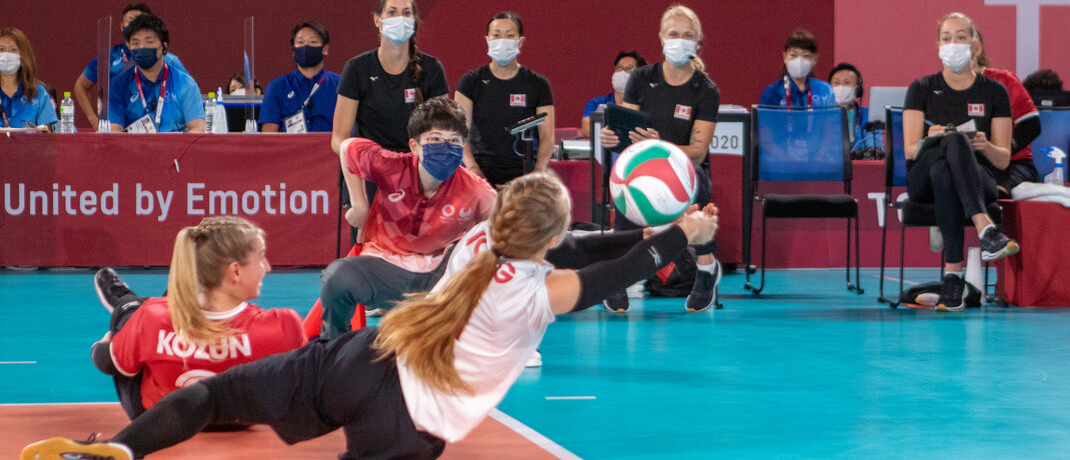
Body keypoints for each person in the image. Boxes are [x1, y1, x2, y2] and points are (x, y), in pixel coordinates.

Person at [22, 173, 718, 460]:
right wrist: (676, 237)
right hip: (408, 421)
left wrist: (660, 232)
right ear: (545, 239)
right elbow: (606, 271)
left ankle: (121, 450)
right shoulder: (539, 293)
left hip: (361, 357)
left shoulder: (480, 235)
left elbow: (583, 246)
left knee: (212, 394)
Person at [88, 216, 307, 420]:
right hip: (241, 420)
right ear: (235, 272)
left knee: (131, 319)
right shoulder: (283, 325)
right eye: (261, 258)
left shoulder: (151, 317)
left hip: (158, 421)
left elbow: (109, 363)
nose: (267, 267)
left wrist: (105, 343)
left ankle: (125, 302)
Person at [317, 97, 497, 339]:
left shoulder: (477, 190)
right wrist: (359, 204)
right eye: (434, 140)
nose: (445, 147)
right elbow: (348, 147)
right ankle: (333, 348)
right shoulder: (391, 166)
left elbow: (506, 233)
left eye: (454, 141)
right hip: (384, 267)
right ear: (414, 146)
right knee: (337, 277)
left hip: (441, 278)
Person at [598, 4, 721, 313]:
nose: (680, 40)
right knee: (628, 182)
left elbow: (700, 149)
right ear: (662, 39)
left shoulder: (705, 90)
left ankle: (706, 271)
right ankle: (617, 277)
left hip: (687, 168)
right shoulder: (641, 78)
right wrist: (612, 138)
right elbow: (628, 134)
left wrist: (662, 147)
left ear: (697, 43)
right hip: (644, 167)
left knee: (695, 180)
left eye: (688, 35)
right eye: (674, 34)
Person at [902, 12, 1021, 313]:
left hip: (978, 177)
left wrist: (985, 145)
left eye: (960, 37)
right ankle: (986, 228)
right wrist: (932, 136)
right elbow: (909, 150)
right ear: (938, 45)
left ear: (974, 46)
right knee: (951, 142)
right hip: (923, 179)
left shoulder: (995, 91)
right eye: (946, 38)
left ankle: (953, 279)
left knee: (948, 166)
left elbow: (1003, 159)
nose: (952, 43)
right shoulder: (921, 88)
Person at [332, 0, 449, 155]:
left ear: (414, 20)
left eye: (406, 13)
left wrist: (417, 158)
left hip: (415, 167)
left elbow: (442, 132)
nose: (400, 19)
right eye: (392, 12)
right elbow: (338, 139)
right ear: (377, 19)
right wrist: (361, 156)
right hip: (369, 169)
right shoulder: (357, 68)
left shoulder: (432, 68)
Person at [455, 12, 555, 186]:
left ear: (520, 41)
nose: (502, 40)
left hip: (524, 173)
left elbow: (547, 136)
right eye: (496, 35)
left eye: (509, 35)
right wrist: (473, 169)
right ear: (487, 40)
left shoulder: (538, 84)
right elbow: (459, 132)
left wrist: (538, 172)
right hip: (480, 172)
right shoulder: (470, 82)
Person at [73, 3, 184, 129]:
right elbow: (80, 86)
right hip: (118, 127)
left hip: (162, 129)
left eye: (140, 21)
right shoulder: (108, 57)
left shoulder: (169, 59)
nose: (136, 25)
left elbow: (186, 93)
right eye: (131, 21)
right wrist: (93, 120)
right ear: (121, 26)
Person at [970, 18, 1040, 195]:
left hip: (1013, 165)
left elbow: (1032, 126)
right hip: (971, 164)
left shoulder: (1004, 81)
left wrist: (1001, 151)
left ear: (977, 49)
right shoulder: (943, 87)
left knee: (994, 192)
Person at [108, 14, 205, 134]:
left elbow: (198, 129)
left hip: (175, 150)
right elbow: (114, 130)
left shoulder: (186, 84)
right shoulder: (117, 85)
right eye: (135, 42)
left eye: (149, 41)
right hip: (133, 150)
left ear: (164, 47)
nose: (141, 47)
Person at [260, 21, 341, 133]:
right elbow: (269, 134)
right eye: (300, 42)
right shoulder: (277, 86)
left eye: (313, 41)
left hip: (330, 149)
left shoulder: (341, 84)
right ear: (293, 51)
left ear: (325, 49)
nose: (306, 46)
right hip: (291, 149)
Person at [758, 28, 834, 108]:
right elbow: (764, 120)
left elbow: (831, 120)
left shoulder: (825, 91)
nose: (799, 60)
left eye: (806, 56)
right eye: (793, 55)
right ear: (785, 57)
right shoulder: (772, 92)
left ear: (814, 59)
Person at [0, 26, 58, 130]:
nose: (6, 55)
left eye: (13, 50)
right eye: (1, 49)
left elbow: (48, 136)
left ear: (23, 56)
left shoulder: (38, 93)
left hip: (31, 146)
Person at [581, 50, 647, 138]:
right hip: (605, 149)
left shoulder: (648, 104)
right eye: (619, 68)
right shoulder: (596, 103)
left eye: (629, 69)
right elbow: (587, 130)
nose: (622, 72)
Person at [828, 62, 869, 149]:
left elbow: (874, 149)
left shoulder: (868, 115)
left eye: (847, 82)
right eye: (836, 82)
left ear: (858, 89)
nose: (841, 87)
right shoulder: (821, 115)